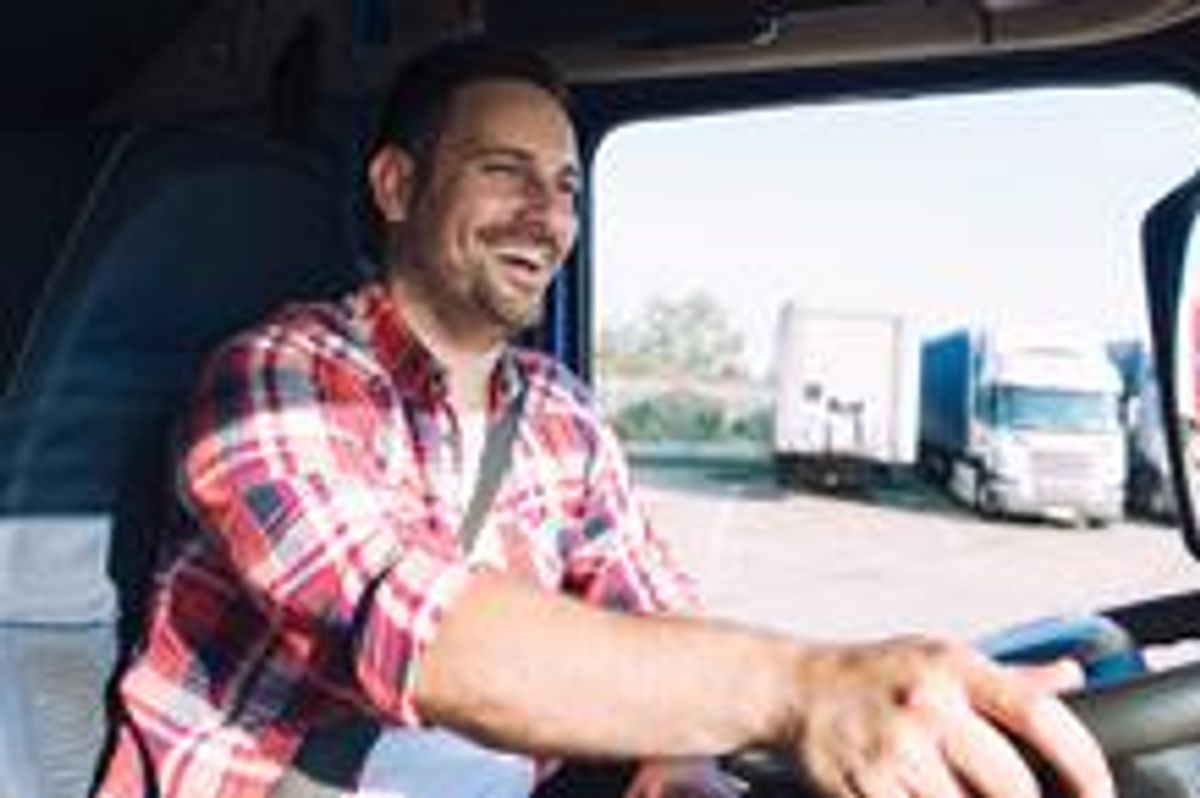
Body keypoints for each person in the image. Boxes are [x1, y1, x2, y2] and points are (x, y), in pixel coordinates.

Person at [94, 37, 1115, 798]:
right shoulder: (278, 377)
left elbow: (658, 620)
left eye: (567, 186)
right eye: (506, 173)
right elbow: (425, 637)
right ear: (398, 185)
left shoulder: (560, 414)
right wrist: (804, 687)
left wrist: (684, 759)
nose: (547, 216)